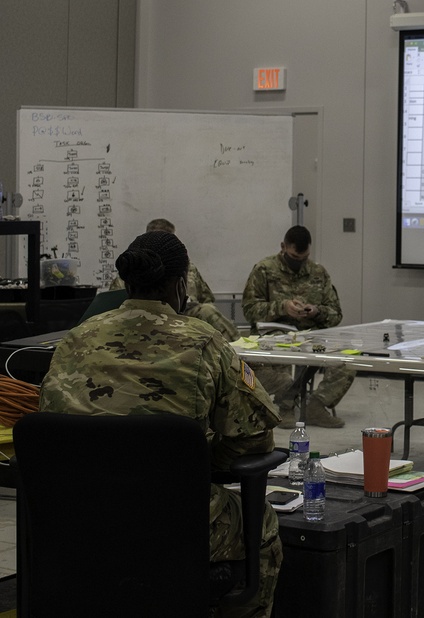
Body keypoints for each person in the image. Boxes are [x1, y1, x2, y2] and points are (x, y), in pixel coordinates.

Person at [38, 231, 283, 617]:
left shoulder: (76, 338)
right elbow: (255, 437)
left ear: (126, 280)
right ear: (181, 283)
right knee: (263, 523)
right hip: (172, 522)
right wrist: (197, 458)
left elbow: (53, 426)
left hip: (76, 518)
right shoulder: (205, 341)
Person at [242, 225, 355, 429]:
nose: (299, 262)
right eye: (294, 257)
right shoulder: (264, 269)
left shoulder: (318, 273)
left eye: (303, 258)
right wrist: (283, 307)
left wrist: (316, 311)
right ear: (283, 247)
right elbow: (250, 310)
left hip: (311, 335)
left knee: (348, 356)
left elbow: (336, 313)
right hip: (275, 333)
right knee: (280, 352)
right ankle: (285, 406)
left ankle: (317, 405)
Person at [109, 218, 240, 342]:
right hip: (136, 320)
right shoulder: (129, 270)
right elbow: (111, 308)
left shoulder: (187, 269)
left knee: (207, 310)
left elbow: (207, 299)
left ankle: (238, 348)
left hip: (185, 317)